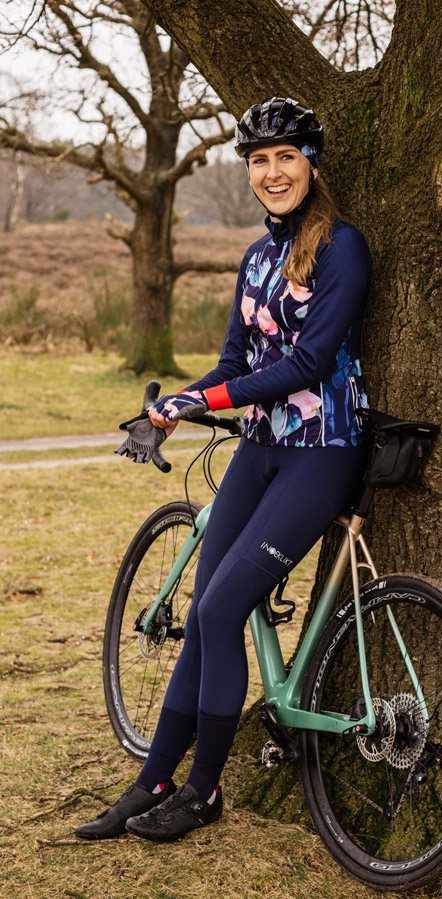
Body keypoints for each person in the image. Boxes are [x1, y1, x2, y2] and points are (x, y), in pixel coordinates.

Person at [76, 97, 372, 842]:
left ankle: (204, 790)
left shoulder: (342, 248)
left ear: (312, 163)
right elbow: (236, 364)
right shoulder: (257, 257)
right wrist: (180, 400)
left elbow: (309, 362)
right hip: (259, 447)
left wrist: (210, 394)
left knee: (217, 608)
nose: (272, 172)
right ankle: (150, 782)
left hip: (322, 450)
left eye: (286, 157)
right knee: (206, 611)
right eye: (259, 161)